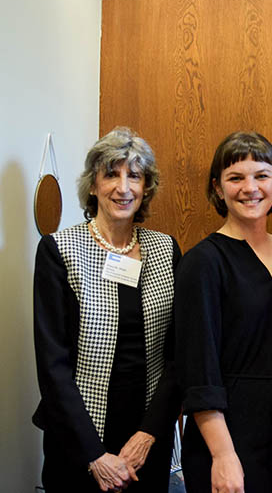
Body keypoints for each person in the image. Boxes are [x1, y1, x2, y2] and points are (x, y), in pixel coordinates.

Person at [174, 131, 272, 493]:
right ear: (217, 187)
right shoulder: (203, 262)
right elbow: (199, 369)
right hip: (227, 432)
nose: (250, 188)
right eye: (235, 178)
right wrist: (223, 456)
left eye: (261, 175)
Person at [33, 127, 182, 492]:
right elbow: (53, 365)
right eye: (111, 174)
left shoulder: (166, 249)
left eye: (135, 175)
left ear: (147, 187)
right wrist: (94, 455)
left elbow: (179, 354)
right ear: (94, 184)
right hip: (78, 439)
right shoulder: (59, 250)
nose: (124, 187)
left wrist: (149, 433)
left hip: (147, 439)